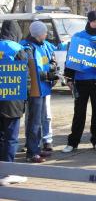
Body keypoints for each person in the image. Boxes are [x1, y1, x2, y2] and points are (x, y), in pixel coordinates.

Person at [62, 11, 96, 153]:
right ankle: (73, 142)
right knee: (79, 113)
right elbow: (71, 59)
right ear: (89, 21)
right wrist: (69, 78)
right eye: (94, 21)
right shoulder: (78, 37)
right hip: (81, 81)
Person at [22, 21, 58, 162]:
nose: (46, 34)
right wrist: (46, 75)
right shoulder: (27, 47)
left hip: (43, 88)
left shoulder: (45, 45)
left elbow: (50, 60)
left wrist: (53, 67)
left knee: (40, 119)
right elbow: (30, 68)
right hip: (34, 90)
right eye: (44, 32)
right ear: (38, 34)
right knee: (34, 121)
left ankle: (36, 149)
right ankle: (32, 152)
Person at [0, 20, 28, 162]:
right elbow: (26, 77)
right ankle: (8, 169)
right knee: (11, 138)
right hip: (12, 100)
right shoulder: (18, 49)